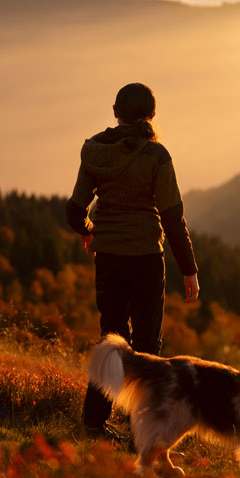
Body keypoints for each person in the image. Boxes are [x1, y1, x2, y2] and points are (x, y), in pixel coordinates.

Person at [66, 82, 199, 441]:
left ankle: (94, 422)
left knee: (111, 340)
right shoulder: (157, 156)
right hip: (145, 258)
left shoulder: (94, 150)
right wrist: (189, 270)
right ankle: (144, 430)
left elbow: (75, 209)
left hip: (108, 258)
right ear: (151, 115)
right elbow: (172, 218)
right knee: (146, 349)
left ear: (115, 112)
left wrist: (88, 230)